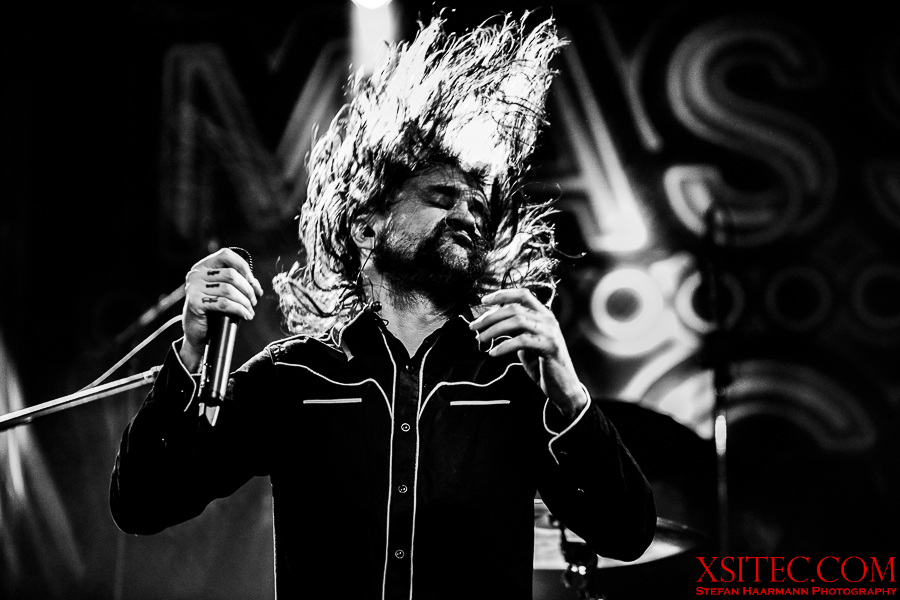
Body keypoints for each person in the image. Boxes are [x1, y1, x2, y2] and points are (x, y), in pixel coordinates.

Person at [110, 14, 655, 600]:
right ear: (367, 228)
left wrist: (570, 395)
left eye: (477, 206)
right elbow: (143, 503)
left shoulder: (513, 379)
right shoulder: (292, 377)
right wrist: (192, 351)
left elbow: (626, 534)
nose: (467, 215)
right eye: (441, 196)